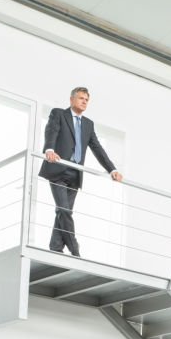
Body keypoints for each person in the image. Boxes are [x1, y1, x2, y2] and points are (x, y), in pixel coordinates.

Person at [39, 86, 123, 256]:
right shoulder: (59, 114)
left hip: (75, 174)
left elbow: (97, 148)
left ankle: (55, 247)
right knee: (64, 210)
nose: (84, 101)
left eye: (86, 100)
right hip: (58, 168)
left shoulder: (88, 124)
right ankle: (74, 248)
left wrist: (112, 169)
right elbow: (51, 132)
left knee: (64, 211)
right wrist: (49, 150)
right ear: (72, 100)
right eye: (81, 98)